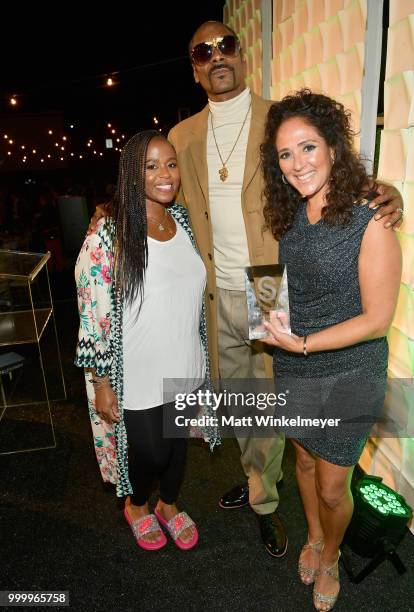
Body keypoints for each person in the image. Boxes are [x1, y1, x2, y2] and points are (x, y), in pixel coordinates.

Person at [89, 20, 403, 558]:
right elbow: (159, 191)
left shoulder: (277, 120)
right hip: (211, 291)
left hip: (269, 287)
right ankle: (261, 493)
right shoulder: (183, 135)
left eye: (226, 44)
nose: (217, 56)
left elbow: (322, 168)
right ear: (193, 67)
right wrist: (112, 210)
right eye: (202, 51)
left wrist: (384, 188)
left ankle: (269, 501)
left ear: (241, 54)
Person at [260, 90, 401, 610]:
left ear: (334, 149)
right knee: (301, 458)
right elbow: (301, 289)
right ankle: (314, 538)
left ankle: (333, 552)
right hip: (295, 361)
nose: (298, 164)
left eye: (308, 148)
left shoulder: (370, 217)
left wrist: (303, 343)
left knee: (333, 487)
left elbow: (377, 319)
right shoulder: (295, 216)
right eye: (285, 154)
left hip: (349, 370)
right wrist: (277, 321)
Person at [75, 130, 219, 552]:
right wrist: (101, 382)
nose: (165, 174)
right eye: (151, 166)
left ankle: (168, 506)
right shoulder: (108, 235)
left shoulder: (186, 224)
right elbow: (91, 313)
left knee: (176, 452)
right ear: (131, 174)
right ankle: (137, 506)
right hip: (136, 374)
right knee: (153, 454)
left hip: (187, 366)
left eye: (171, 164)